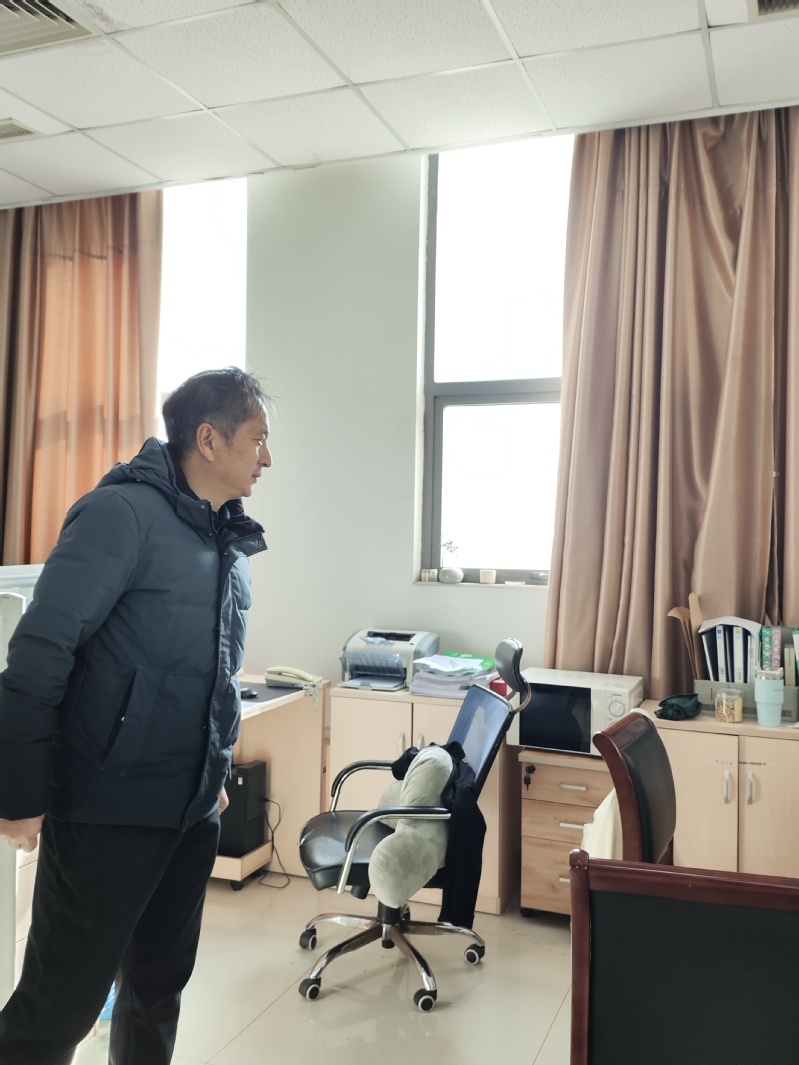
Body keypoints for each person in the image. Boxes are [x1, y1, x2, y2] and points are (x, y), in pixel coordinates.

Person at [0, 366, 273, 1065]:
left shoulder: (228, 541)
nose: (266, 457)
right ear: (208, 440)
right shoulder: (119, 515)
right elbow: (38, 656)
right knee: (58, 1008)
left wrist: (213, 770)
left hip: (190, 811)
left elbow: (215, 675)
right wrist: (20, 792)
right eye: (257, 439)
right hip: (107, 807)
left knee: (157, 992)